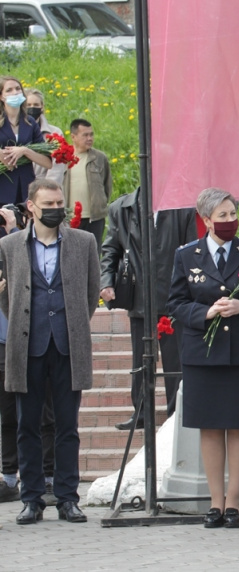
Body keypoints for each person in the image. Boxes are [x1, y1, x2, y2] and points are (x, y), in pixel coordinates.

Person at [166, 188, 239, 529]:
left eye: (232, 214)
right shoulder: (187, 255)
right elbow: (176, 303)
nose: (229, 221)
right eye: (222, 215)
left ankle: (234, 503)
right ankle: (214, 503)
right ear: (206, 219)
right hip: (203, 353)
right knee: (211, 428)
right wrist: (205, 312)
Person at [0, 179, 100, 525]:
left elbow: (91, 293)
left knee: (66, 425)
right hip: (27, 345)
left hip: (67, 345)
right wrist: (26, 325)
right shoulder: (10, 245)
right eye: (49, 204)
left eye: (60, 202)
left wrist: (70, 324)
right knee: (27, 424)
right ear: (31, 206)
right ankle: (31, 499)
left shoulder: (84, 242)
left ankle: (68, 497)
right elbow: (7, 298)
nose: (56, 208)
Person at [100, 189, 198, 429]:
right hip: (139, 295)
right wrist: (106, 281)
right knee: (140, 358)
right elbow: (110, 249)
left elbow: (192, 251)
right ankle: (141, 412)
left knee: (175, 360)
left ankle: (177, 412)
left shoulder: (181, 208)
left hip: (173, 298)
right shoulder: (121, 208)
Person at [0, 205, 55, 504]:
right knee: (10, 414)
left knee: (45, 412)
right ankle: (9, 476)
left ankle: (47, 477)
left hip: (29, 338)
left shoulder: (16, 242)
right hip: (7, 340)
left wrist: (12, 228)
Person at [0, 76, 52, 205]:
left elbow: (47, 162)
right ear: (1, 96)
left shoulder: (30, 122)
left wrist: (25, 151)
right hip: (3, 188)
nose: (15, 93)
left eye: (18, 89)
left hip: (25, 189)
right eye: (9, 90)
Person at [62, 119, 112, 251]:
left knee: (94, 253)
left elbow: (107, 186)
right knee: (72, 253)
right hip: (70, 218)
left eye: (91, 134)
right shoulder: (64, 158)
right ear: (73, 137)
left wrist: (101, 204)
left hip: (94, 217)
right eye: (85, 135)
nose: (89, 138)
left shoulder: (99, 158)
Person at [24, 89, 64, 184]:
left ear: (42, 107)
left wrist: (47, 188)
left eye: (36, 105)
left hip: (44, 186)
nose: (32, 108)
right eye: (28, 105)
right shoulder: (14, 130)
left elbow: (57, 167)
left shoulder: (54, 132)